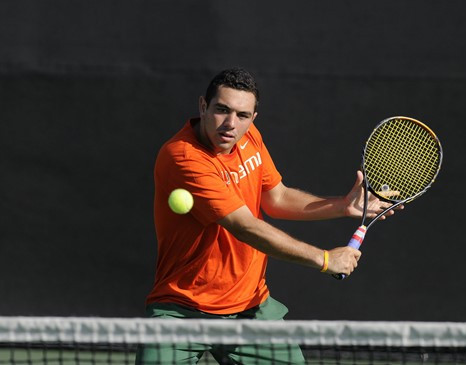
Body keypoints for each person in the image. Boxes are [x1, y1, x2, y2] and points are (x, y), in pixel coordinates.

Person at [136, 68, 401, 364]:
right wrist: (325, 260)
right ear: (203, 106)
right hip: (182, 308)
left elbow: (277, 197)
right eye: (221, 110)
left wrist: (341, 206)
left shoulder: (249, 139)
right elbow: (245, 226)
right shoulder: (184, 158)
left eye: (242, 115)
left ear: (253, 118)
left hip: (250, 307)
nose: (230, 124)